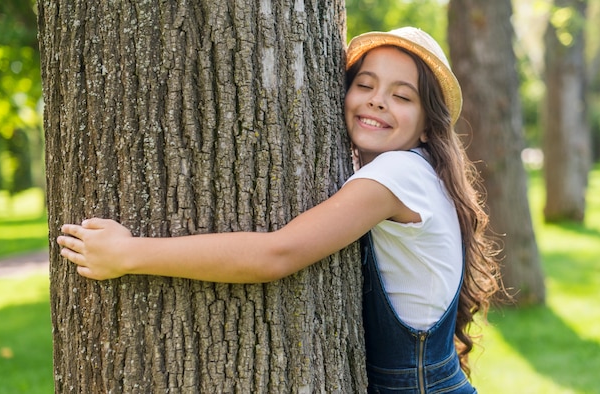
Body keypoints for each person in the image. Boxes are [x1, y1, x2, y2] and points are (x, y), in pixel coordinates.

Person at [57, 27, 502, 393]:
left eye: (402, 97)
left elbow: (276, 254)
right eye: (365, 85)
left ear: (428, 126)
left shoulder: (398, 174)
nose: (377, 100)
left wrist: (129, 254)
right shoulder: (418, 172)